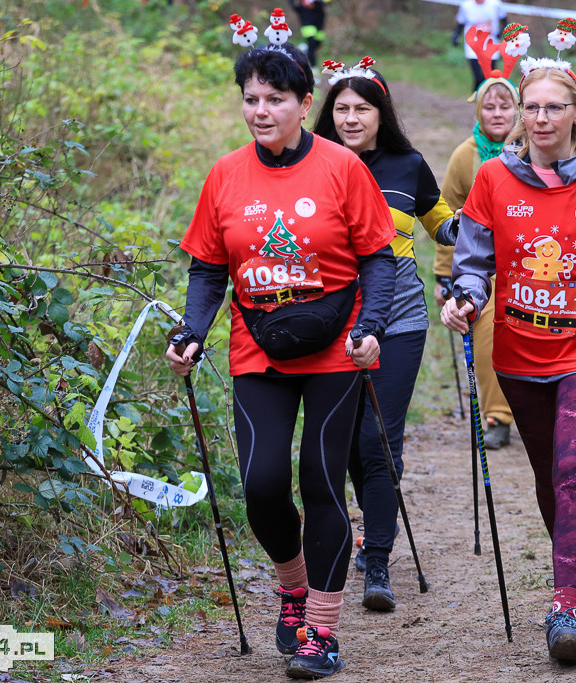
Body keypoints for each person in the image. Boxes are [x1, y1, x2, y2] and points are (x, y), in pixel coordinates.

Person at [166, 41, 396, 680]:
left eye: (275, 99)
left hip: (336, 348)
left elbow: (378, 257)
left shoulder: (342, 168)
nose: (260, 111)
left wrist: (372, 326)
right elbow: (209, 269)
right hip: (257, 348)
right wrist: (191, 331)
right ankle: (292, 585)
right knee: (263, 485)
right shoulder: (226, 174)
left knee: (322, 482)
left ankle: (321, 631)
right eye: (251, 100)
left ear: (303, 103)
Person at [440, 53, 576, 664]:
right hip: (518, 353)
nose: (541, 117)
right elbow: (472, 262)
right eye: (531, 106)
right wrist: (464, 299)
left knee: (571, 470)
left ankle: (565, 605)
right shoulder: (493, 180)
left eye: (553, 107)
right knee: (547, 476)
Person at [313, 59, 458, 612]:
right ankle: (366, 532)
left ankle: (377, 561)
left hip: (398, 317)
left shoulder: (406, 164)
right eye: (342, 109)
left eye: (362, 109)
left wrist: (476, 225)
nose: (351, 119)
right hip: (329, 319)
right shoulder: (312, 162)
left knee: (379, 440)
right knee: (347, 441)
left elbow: (439, 219)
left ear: (381, 114)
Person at [433, 73, 519, 450]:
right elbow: (447, 216)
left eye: (505, 106)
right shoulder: (464, 156)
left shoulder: (534, 150)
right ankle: (497, 416)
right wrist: (442, 275)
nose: (498, 113)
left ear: (518, 111)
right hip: (482, 268)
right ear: (479, 111)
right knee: (486, 341)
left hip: (529, 264)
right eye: (490, 106)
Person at [451, 0, 507, 91]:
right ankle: (477, 96)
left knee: (488, 76)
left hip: (491, 44)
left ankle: (482, 98)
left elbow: (504, 20)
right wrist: (455, 36)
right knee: (478, 76)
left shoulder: (495, 4)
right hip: (473, 45)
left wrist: (502, 33)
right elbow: (461, 23)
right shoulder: (466, 6)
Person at [289, 0, 328, 68]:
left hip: (319, 28)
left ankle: (305, 49)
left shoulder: (319, 5)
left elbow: (324, 3)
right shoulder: (302, 7)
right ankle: (313, 67)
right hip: (308, 28)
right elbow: (294, 6)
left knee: (317, 45)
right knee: (312, 47)